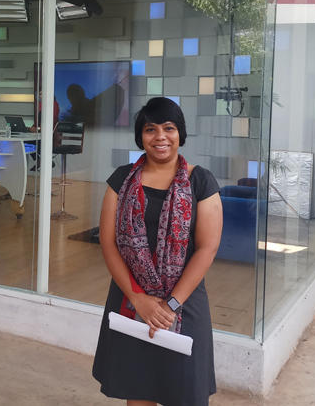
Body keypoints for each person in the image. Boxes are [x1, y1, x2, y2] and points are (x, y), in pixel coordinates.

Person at [92, 97, 223, 405]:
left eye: (169, 128)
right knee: (137, 390)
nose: (160, 137)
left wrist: (169, 305)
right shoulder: (121, 180)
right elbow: (108, 242)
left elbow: (207, 248)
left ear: (180, 134)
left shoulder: (199, 181)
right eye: (151, 129)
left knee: (185, 392)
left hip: (185, 302)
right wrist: (139, 298)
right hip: (129, 297)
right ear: (141, 136)